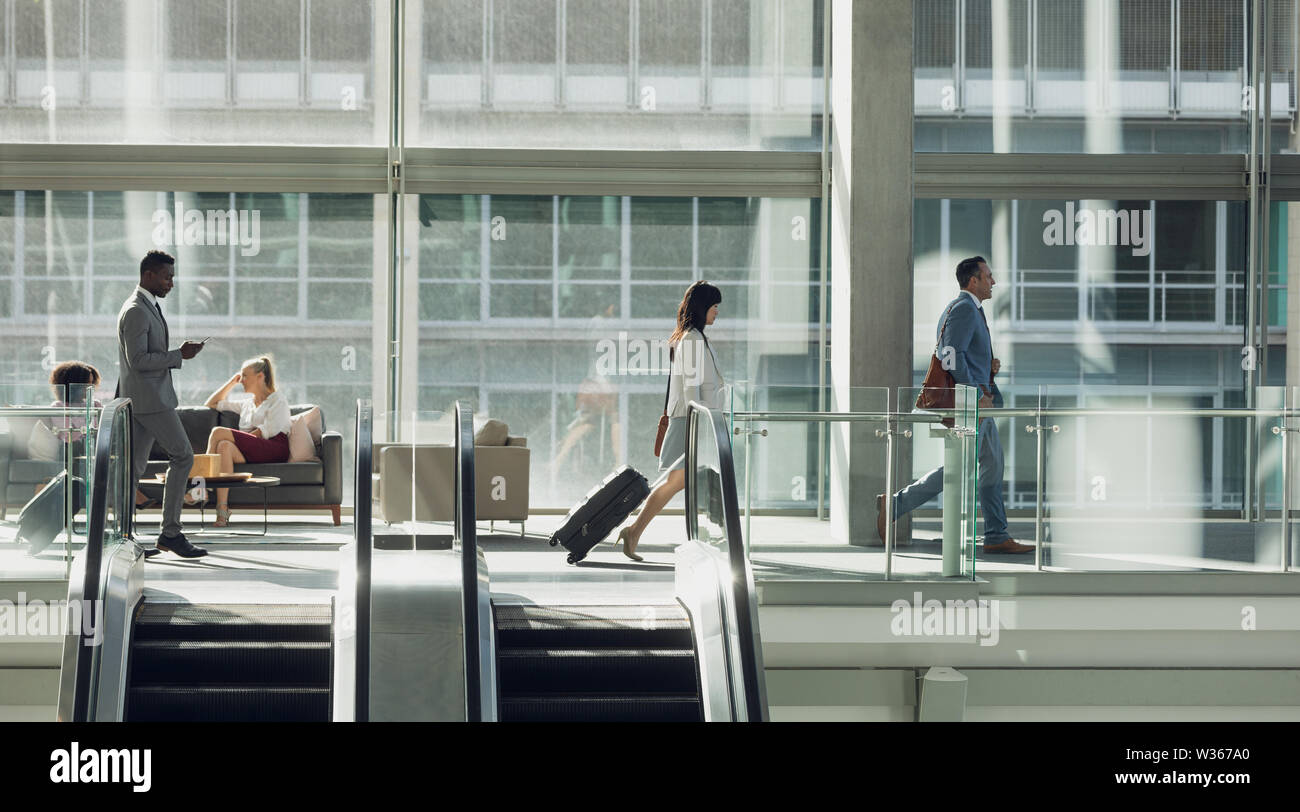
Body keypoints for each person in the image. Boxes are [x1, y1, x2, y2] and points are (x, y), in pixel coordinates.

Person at [879, 256, 1033, 554]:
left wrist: (988, 365)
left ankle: (996, 534)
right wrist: (976, 393)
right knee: (961, 467)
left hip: (977, 403)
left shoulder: (969, 310)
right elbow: (950, 355)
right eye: (988, 276)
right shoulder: (964, 309)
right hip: (971, 404)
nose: (994, 281)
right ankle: (896, 503)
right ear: (973, 280)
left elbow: (960, 354)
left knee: (992, 464)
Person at [616, 281, 725, 561]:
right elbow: (692, 389)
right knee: (676, 482)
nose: (716, 313)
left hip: (692, 420)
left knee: (677, 482)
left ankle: (635, 532)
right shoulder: (691, 339)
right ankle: (715, 529)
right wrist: (699, 422)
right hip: (688, 421)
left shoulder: (696, 337)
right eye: (714, 308)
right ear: (702, 308)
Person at [118, 250, 207, 558]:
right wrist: (179, 355)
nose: (172, 282)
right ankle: (170, 533)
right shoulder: (137, 311)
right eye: (167, 277)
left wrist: (178, 354)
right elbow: (139, 360)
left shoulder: (145, 306)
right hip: (150, 400)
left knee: (134, 469)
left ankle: (125, 537)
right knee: (183, 456)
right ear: (149, 276)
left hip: (144, 399)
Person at [201, 356, 292, 527]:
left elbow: (266, 433)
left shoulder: (277, 400)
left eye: (245, 376)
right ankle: (222, 511)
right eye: (240, 376)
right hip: (250, 449)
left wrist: (239, 438)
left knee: (218, 432)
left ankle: (202, 485)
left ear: (260, 376)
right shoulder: (246, 404)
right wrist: (230, 383)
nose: (241, 380)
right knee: (224, 446)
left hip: (273, 447)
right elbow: (211, 403)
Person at [28, 361, 102, 462]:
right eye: (86, 383)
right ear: (74, 385)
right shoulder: (59, 406)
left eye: (91, 383)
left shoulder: (95, 404)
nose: (90, 388)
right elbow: (69, 435)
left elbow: (101, 430)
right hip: (70, 451)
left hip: (94, 447)